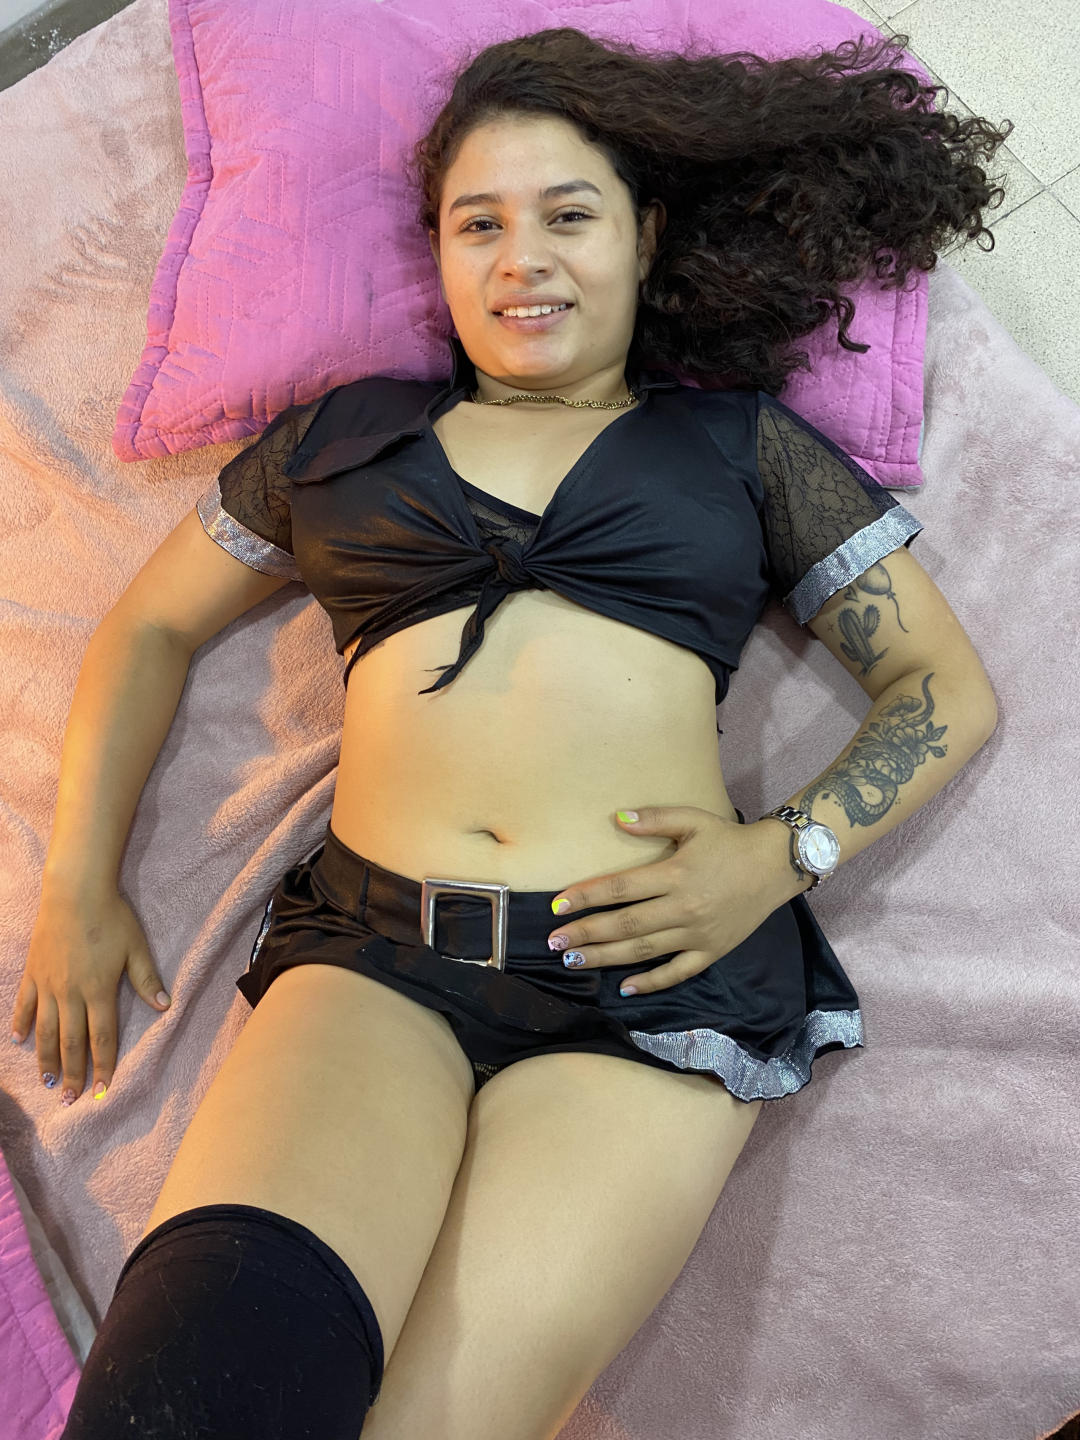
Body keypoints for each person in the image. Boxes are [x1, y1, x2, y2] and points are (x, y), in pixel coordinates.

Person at [29, 25, 1005, 1440]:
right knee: (192, 1398)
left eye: (568, 216)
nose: (520, 258)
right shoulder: (337, 436)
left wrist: (781, 852)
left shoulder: (743, 449)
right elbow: (148, 628)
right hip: (373, 962)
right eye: (477, 223)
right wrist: (79, 879)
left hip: (652, 993)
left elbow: (941, 686)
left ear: (645, 236)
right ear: (434, 252)